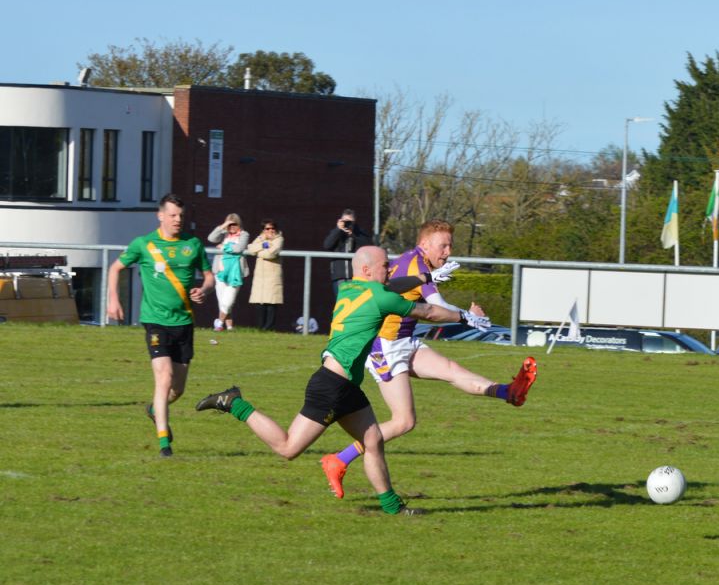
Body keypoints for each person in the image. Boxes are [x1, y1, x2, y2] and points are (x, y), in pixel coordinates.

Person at [193, 246, 460, 515]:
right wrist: (465, 317)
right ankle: (234, 403)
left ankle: (392, 507)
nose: (389, 269)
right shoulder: (379, 295)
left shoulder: (349, 287)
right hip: (332, 386)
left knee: (373, 441)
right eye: (384, 265)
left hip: (345, 386)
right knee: (288, 448)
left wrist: (426, 278)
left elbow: (392, 285)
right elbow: (428, 312)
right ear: (367, 270)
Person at [320, 219, 538, 499]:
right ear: (424, 244)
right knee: (403, 422)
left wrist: (445, 294)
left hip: (403, 340)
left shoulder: (413, 261)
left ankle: (511, 392)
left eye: (450, 245)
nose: (448, 251)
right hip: (384, 347)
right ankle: (338, 459)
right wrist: (469, 317)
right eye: (443, 245)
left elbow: (408, 293)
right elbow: (438, 308)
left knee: (452, 370)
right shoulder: (416, 263)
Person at [106, 194, 214, 457]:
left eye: (181, 216)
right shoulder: (144, 244)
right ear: (161, 215)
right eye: (173, 215)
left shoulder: (193, 245)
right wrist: (113, 298)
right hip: (155, 322)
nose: (178, 220)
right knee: (163, 378)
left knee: (177, 389)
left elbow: (209, 276)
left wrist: (205, 290)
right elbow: (115, 268)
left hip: (184, 323)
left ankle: (155, 410)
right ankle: (164, 443)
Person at [207, 213, 250, 331]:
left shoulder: (244, 234)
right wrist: (223, 226)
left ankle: (219, 323)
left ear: (239, 224)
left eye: (234, 224)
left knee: (228, 301)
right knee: (222, 302)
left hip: (235, 273)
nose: (232, 227)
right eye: (229, 224)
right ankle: (230, 327)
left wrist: (223, 247)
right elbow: (211, 238)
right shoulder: (223, 234)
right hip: (220, 272)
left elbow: (239, 248)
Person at [322, 208, 373, 299]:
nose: (347, 224)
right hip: (339, 277)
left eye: (350, 222)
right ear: (341, 221)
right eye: (345, 221)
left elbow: (368, 246)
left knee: (356, 304)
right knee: (341, 304)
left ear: (355, 222)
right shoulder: (336, 233)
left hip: (356, 277)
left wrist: (353, 234)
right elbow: (327, 245)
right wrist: (338, 230)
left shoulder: (360, 233)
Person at [245, 219, 284, 331]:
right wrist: (265, 244)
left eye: (272, 228)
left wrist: (259, 252)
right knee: (259, 302)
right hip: (260, 276)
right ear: (263, 230)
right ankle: (260, 328)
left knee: (271, 303)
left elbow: (271, 254)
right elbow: (251, 248)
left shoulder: (279, 239)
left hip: (272, 275)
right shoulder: (260, 238)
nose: (270, 231)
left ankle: (269, 327)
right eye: (267, 228)